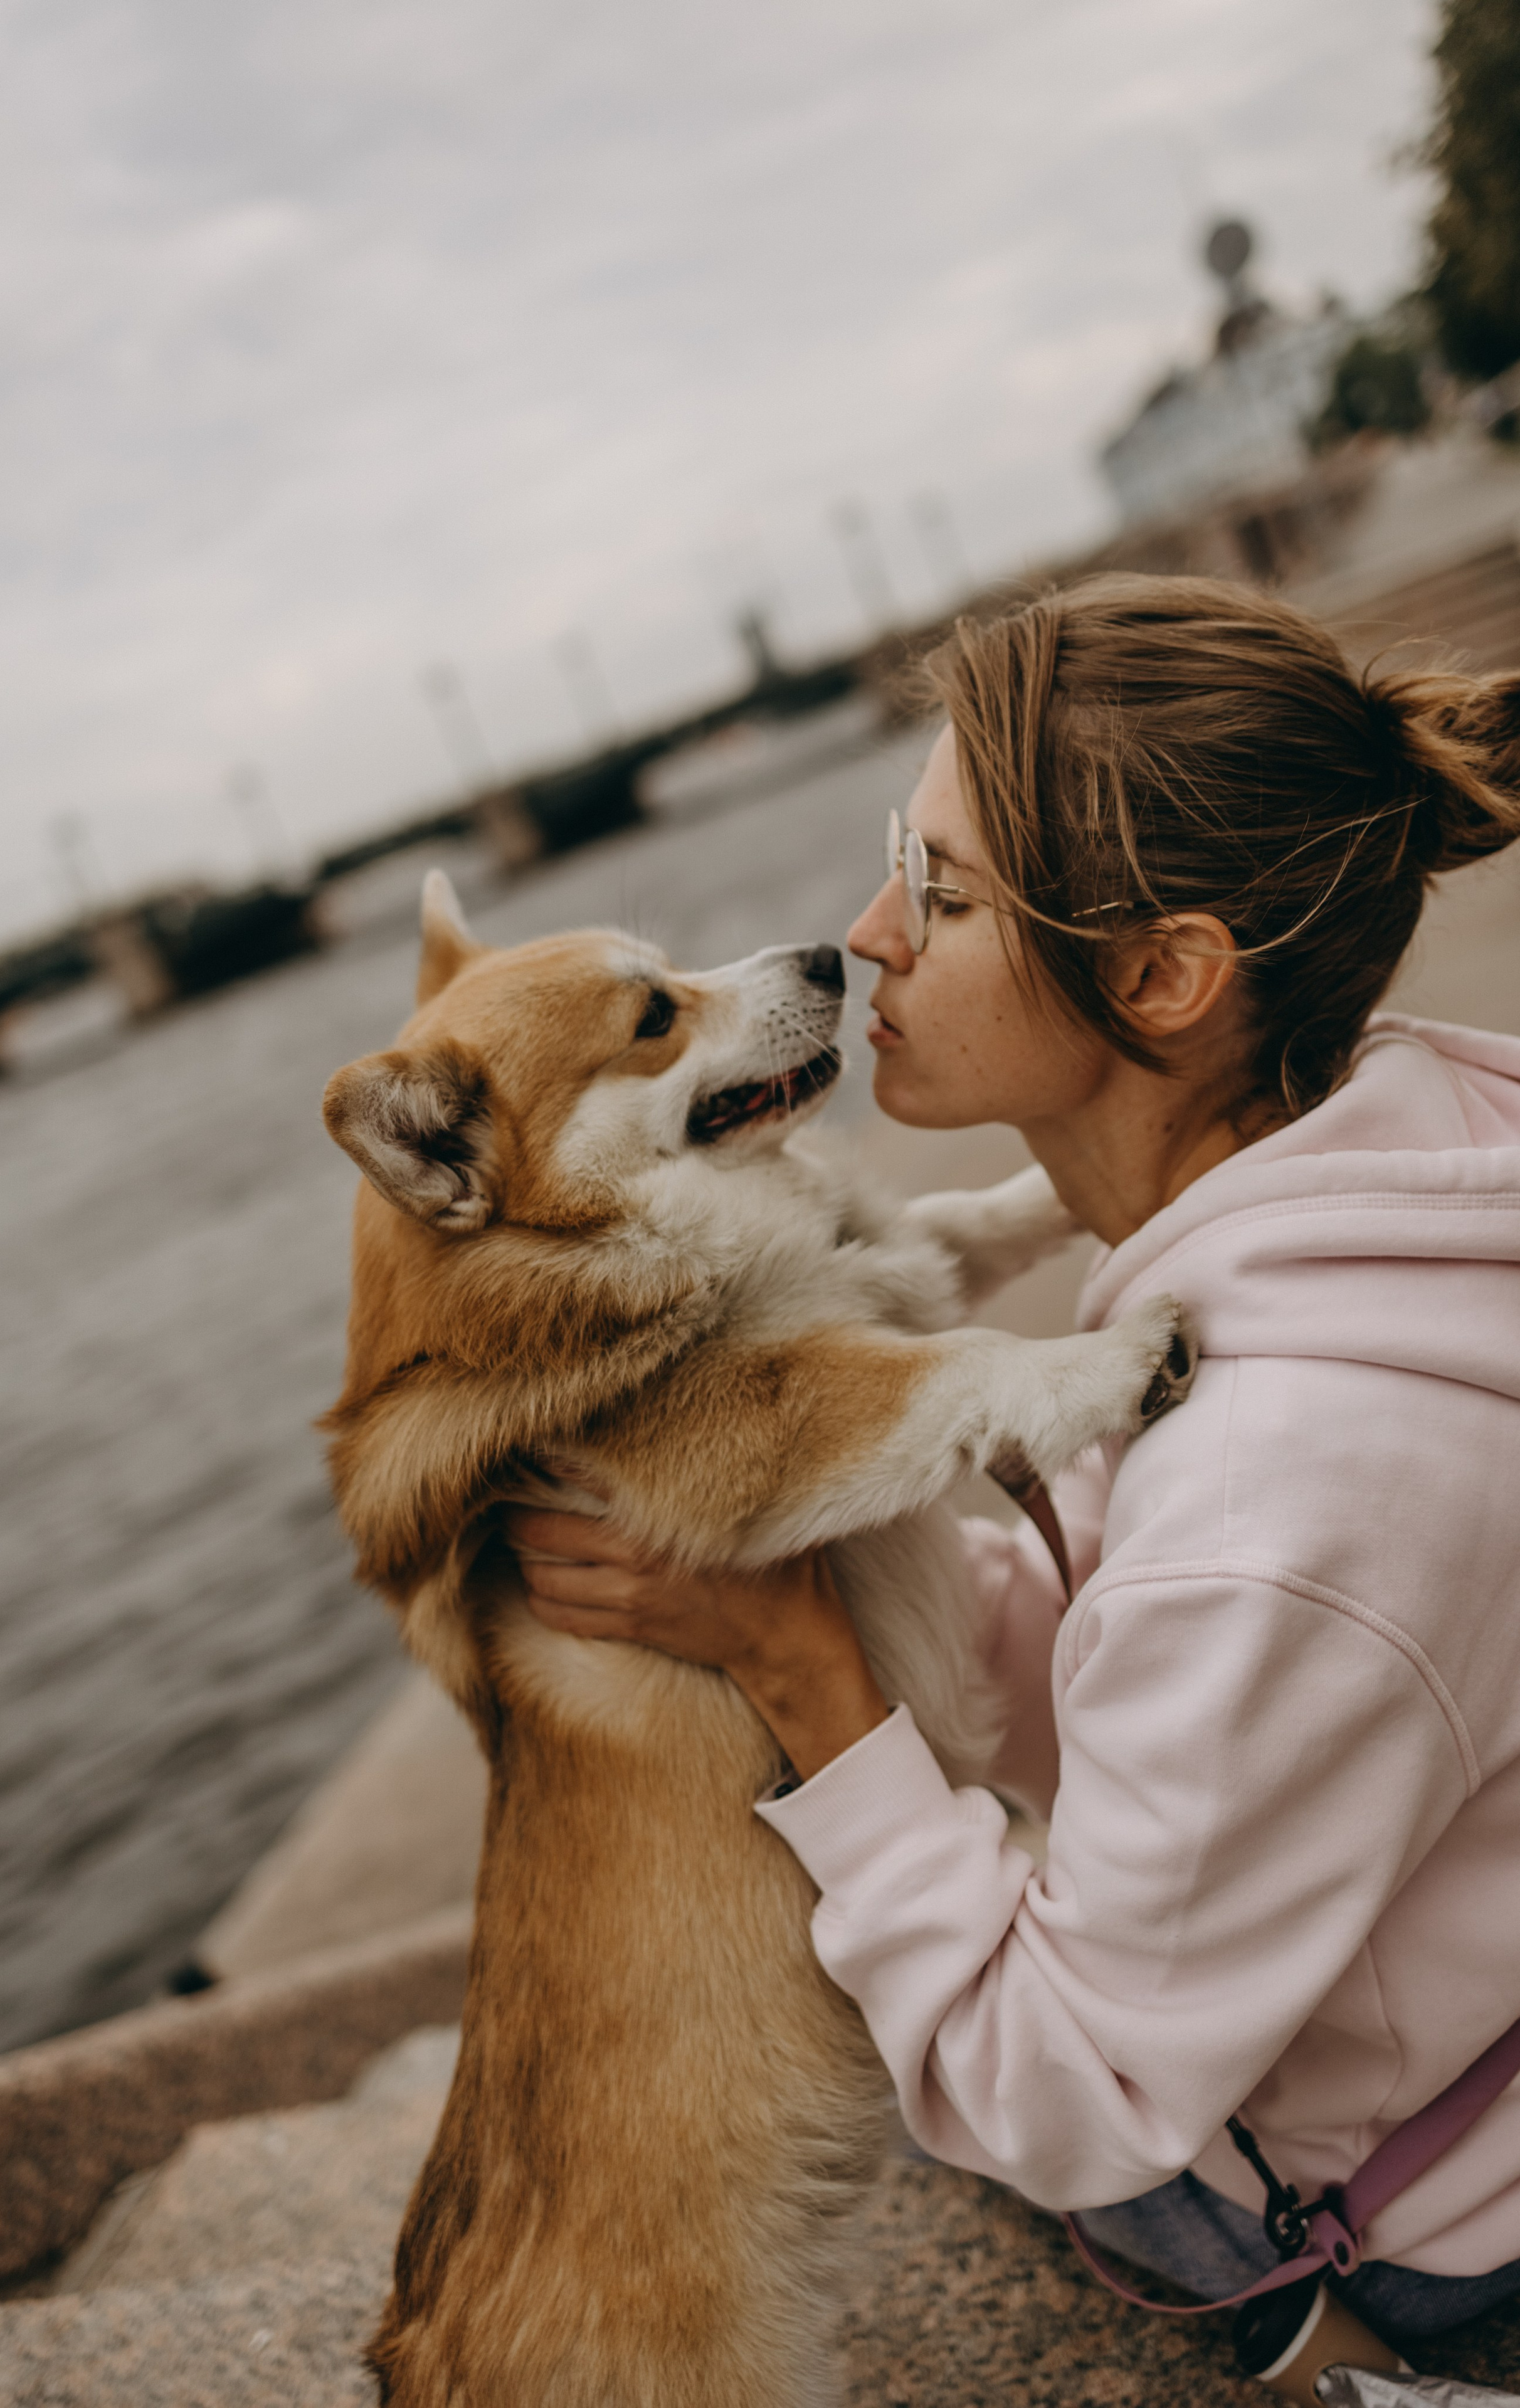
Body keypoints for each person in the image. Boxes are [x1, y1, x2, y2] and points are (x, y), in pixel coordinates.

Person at [507, 574, 1520, 2340]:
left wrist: (807, 1671)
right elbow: (1196, 1683)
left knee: (808, 2101)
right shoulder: (1419, 1149)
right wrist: (836, 1562)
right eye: (904, 854)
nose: (867, 933)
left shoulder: (1284, 1492)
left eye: (945, 893)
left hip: (1445, 2237)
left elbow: (1061, 2095)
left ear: (1164, 974)